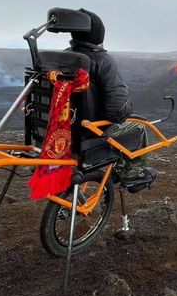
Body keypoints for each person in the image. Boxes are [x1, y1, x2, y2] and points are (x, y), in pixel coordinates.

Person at [66, 10, 155, 185]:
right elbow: (116, 111)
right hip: (89, 133)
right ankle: (132, 173)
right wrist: (128, 107)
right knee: (140, 127)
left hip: (62, 130)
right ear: (99, 35)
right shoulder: (102, 61)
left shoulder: (64, 57)